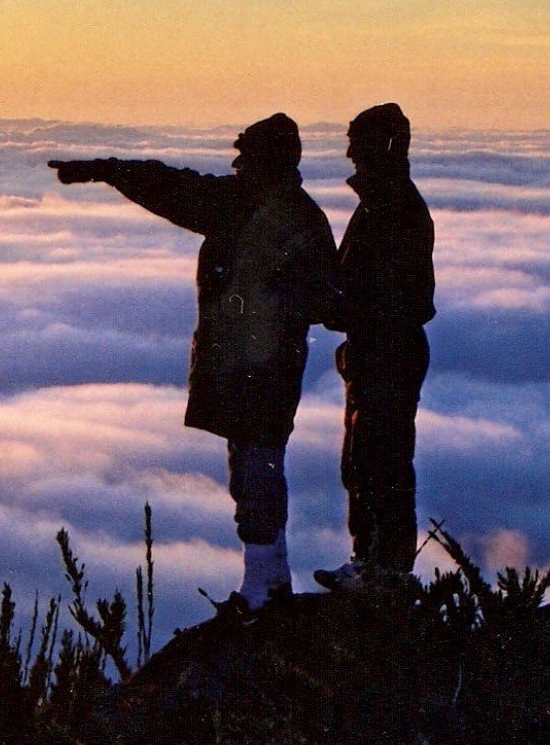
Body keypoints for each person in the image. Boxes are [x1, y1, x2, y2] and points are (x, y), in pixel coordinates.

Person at [50, 114, 340, 608]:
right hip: (265, 365)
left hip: (259, 369)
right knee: (255, 464)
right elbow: (173, 185)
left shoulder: (248, 210)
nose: (236, 162)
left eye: (245, 155)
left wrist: (105, 169)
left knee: (255, 466)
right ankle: (266, 579)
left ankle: (264, 586)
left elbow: (173, 188)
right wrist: (106, 169)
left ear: (265, 161)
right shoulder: (286, 214)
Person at [315, 103, 435, 590]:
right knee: (368, 459)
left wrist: (340, 308)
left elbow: (392, 293)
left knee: (379, 460)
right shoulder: (383, 203)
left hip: (386, 350)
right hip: (379, 349)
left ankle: (383, 569)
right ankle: (374, 562)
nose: (349, 152)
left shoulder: (393, 208)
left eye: (357, 141)